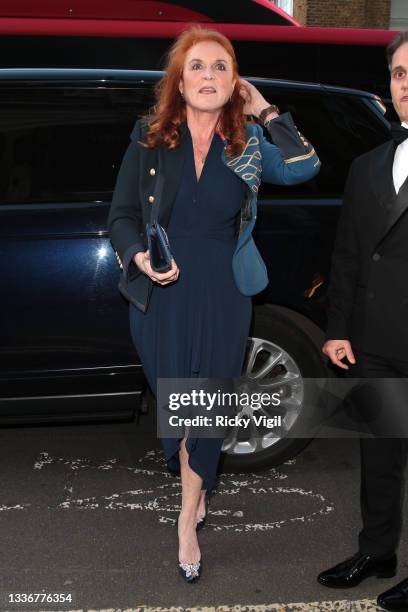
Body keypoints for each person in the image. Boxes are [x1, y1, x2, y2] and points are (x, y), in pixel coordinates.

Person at [108, 25, 320, 583]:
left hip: (225, 292)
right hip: (161, 292)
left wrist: (268, 110)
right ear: (179, 81)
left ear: (235, 84)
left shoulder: (247, 144)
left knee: (207, 404)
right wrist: (139, 258)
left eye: (221, 68)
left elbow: (305, 167)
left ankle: (186, 517)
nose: (208, 77)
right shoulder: (149, 140)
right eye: (197, 67)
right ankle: (195, 484)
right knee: (180, 408)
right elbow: (122, 217)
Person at [318, 31, 408, 611]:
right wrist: (337, 328)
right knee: (378, 456)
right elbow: (348, 253)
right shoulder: (369, 164)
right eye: (401, 74)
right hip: (374, 340)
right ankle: (377, 551)